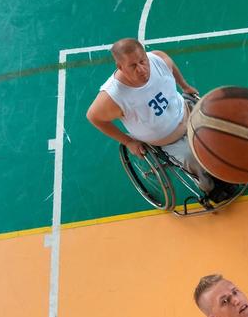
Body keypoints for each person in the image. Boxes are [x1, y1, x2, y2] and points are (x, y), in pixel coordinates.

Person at [86, 38, 240, 201]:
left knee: (219, 132)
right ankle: (211, 188)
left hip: (187, 114)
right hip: (167, 141)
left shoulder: (158, 59)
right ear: (120, 67)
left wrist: (185, 86)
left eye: (142, 61)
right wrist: (128, 142)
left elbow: (171, 66)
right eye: (133, 66)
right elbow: (93, 117)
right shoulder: (114, 96)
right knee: (192, 157)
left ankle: (224, 169)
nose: (141, 69)